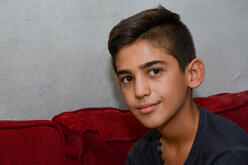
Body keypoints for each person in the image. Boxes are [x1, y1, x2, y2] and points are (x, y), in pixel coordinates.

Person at [107, 5, 248, 165]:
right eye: (127, 78)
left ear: (192, 74)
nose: (139, 91)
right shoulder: (140, 154)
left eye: (154, 71)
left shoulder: (229, 154)